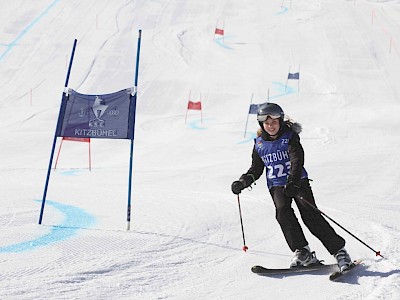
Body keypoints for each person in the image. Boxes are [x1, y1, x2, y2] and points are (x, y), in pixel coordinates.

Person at [231, 102, 352, 271]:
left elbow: (297, 160)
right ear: (262, 124)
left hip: (297, 183)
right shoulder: (259, 144)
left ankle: (339, 251)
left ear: (280, 121)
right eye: (267, 123)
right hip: (276, 186)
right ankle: (302, 251)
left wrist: (293, 182)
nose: (270, 126)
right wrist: (243, 182)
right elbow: (256, 169)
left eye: (274, 122)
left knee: (310, 216)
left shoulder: (290, 137)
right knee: (283, 214)